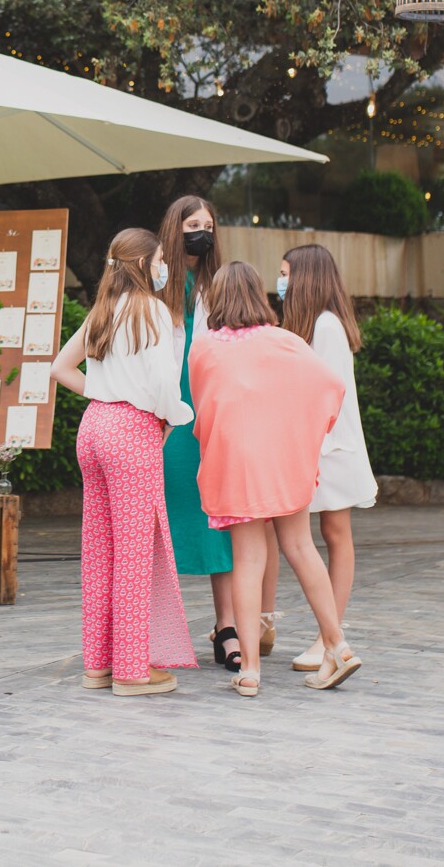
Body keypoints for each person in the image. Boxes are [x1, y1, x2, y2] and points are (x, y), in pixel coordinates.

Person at [188, 261, 360, 697]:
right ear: (258, 295)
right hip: (288, 462)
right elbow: (330, 384)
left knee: (248, 561)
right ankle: (337, 644)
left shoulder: (206, 347)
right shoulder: (287, 341)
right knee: (302, 548)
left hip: (238, 468)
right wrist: (305, 430)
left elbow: (205, 406)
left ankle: (249, 670)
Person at [50, 228, 196, 696]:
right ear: (143, 265)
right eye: (158, 261)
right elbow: (162, 384)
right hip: (131, 430)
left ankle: (99, 663)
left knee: (100, 549)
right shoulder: (151, 310)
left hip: (93, 427)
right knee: (134, 553)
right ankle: (133, 669)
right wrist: (174, 418)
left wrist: (101, 394)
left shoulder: (102, 311)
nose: (163, 268)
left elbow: (59, 368)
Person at [277, 243, 376, 673]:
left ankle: (328, 636)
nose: (278, 282)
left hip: (329, 448)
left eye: (284, 273)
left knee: (335, 535)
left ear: (304, 277)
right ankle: (328, 635)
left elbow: (325, 395)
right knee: (331, 536)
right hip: (322, 447)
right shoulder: (313, 326)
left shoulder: (326, 326)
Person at [155, 195, 241, 668]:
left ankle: (226, 627)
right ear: (176, 228)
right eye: (193, 223)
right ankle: (147, 629)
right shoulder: (155, 280)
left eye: (208, 224)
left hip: (209, 411)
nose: (201, 231)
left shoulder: (219, 281)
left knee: (217, 519)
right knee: (156, 519)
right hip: (164, 412)